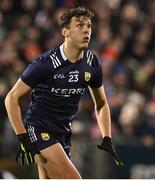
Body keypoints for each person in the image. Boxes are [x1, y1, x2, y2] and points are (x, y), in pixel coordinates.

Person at [5, 7, 123, 179]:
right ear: (65, 31)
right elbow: (11, 98)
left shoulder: (92, 63)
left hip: (63, 132)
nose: (86, 30)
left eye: (89, 26)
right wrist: (22, 137)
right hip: (38, 128)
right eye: (80, 25)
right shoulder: (45, 63)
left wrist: (107, 137)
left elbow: (102, 104)